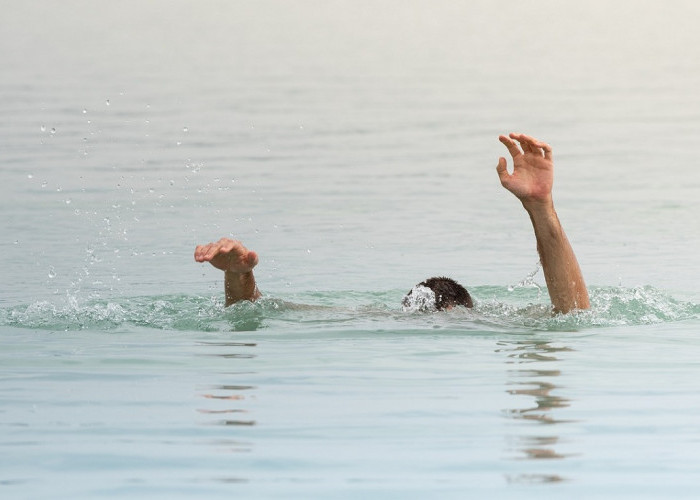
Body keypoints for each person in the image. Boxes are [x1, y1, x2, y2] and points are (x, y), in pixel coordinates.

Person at [194, 133, 590, 314]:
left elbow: (256, 312)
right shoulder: (490, 324)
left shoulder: (368, 317)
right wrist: (542, 210)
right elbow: (573, 313)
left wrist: (239, 278)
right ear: (465, 312)